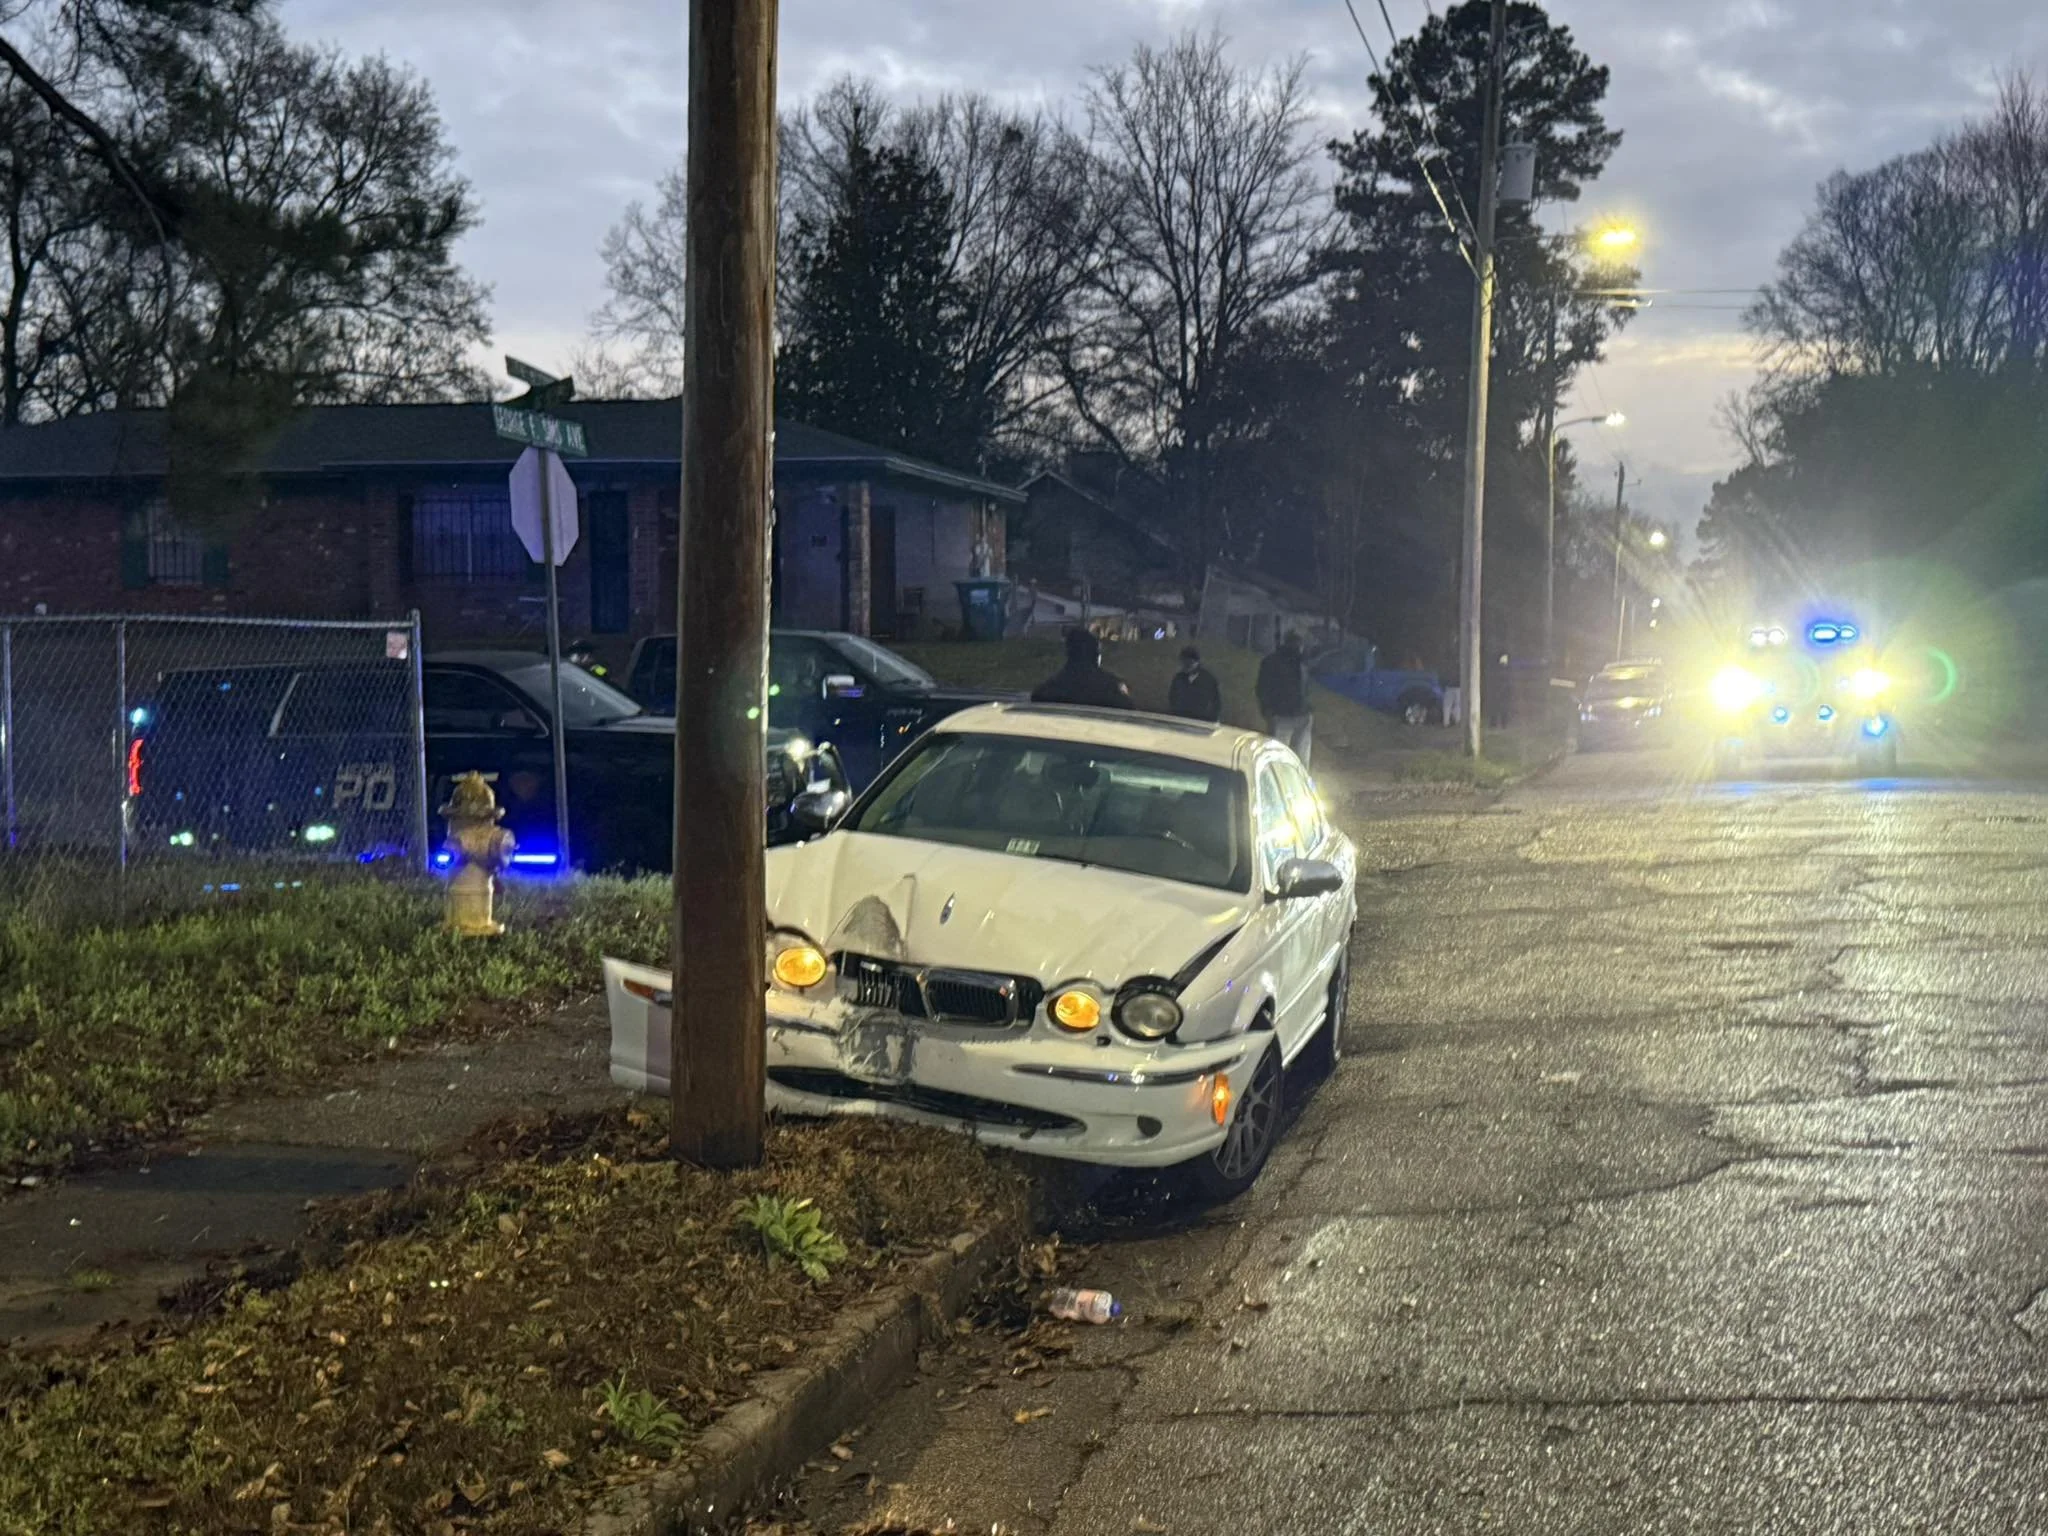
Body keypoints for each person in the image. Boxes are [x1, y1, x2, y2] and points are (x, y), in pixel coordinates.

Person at [1031, 626, 1134, 709]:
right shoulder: (1112, 688)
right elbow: (1128, 712)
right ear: (1096, 656)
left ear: (1068, 654)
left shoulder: (1048, 691)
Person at [1256, 632, 1313, 765]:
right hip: (1289, 714)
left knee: (1279, 756)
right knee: (1292, 758)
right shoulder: (1302, 662)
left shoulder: (1273, 661)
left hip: (1290, 714)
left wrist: (1267, 709)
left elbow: (1262, 688)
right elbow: (1263, 688)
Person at [1167, 645, 1223, 722]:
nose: (1187, 666)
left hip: (1201, 721)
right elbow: (1172, 698)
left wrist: (1212, 719)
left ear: (1197, 662)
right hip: (1180, 719)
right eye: (1184, 662)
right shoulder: (1178, 678)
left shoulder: (1209, 680)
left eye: (1190, 663)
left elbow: (1216, 702)